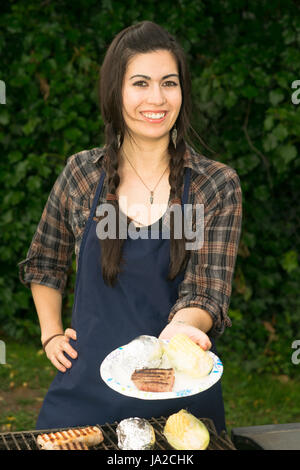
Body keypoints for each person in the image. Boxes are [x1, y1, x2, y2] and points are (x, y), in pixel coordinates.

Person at [18, 21, 242, 434]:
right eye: (140, 82)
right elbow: (44, 261)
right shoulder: (83, 174)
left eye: (168, 83)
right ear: (115, 91)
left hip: (177, 403)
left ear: (182, 92)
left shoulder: (214, 185)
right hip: (84, 393)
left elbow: (207, 290)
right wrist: (51, 334)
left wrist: (181, 330)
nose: (156, 98)